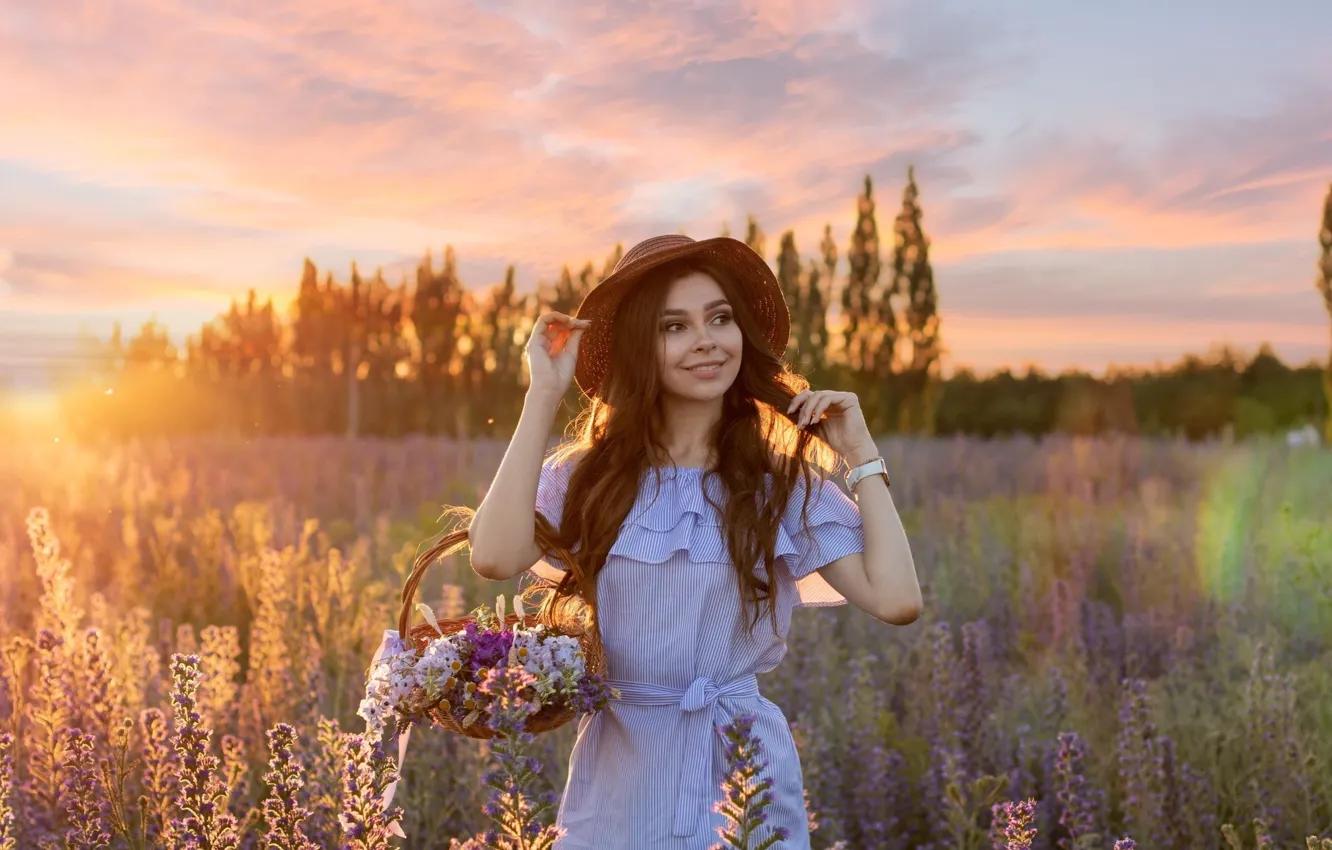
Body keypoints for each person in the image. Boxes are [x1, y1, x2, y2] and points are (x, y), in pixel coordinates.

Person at [466, 233, 922, 849]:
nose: (706, 339)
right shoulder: (588, 478)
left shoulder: (775, 486)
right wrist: (543, 392)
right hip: (622, 775)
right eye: (673, 326)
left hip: (741, 773)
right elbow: (493, 556)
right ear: (638, 348)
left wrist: (863, 457)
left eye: (720, 318)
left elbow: (896, 600)